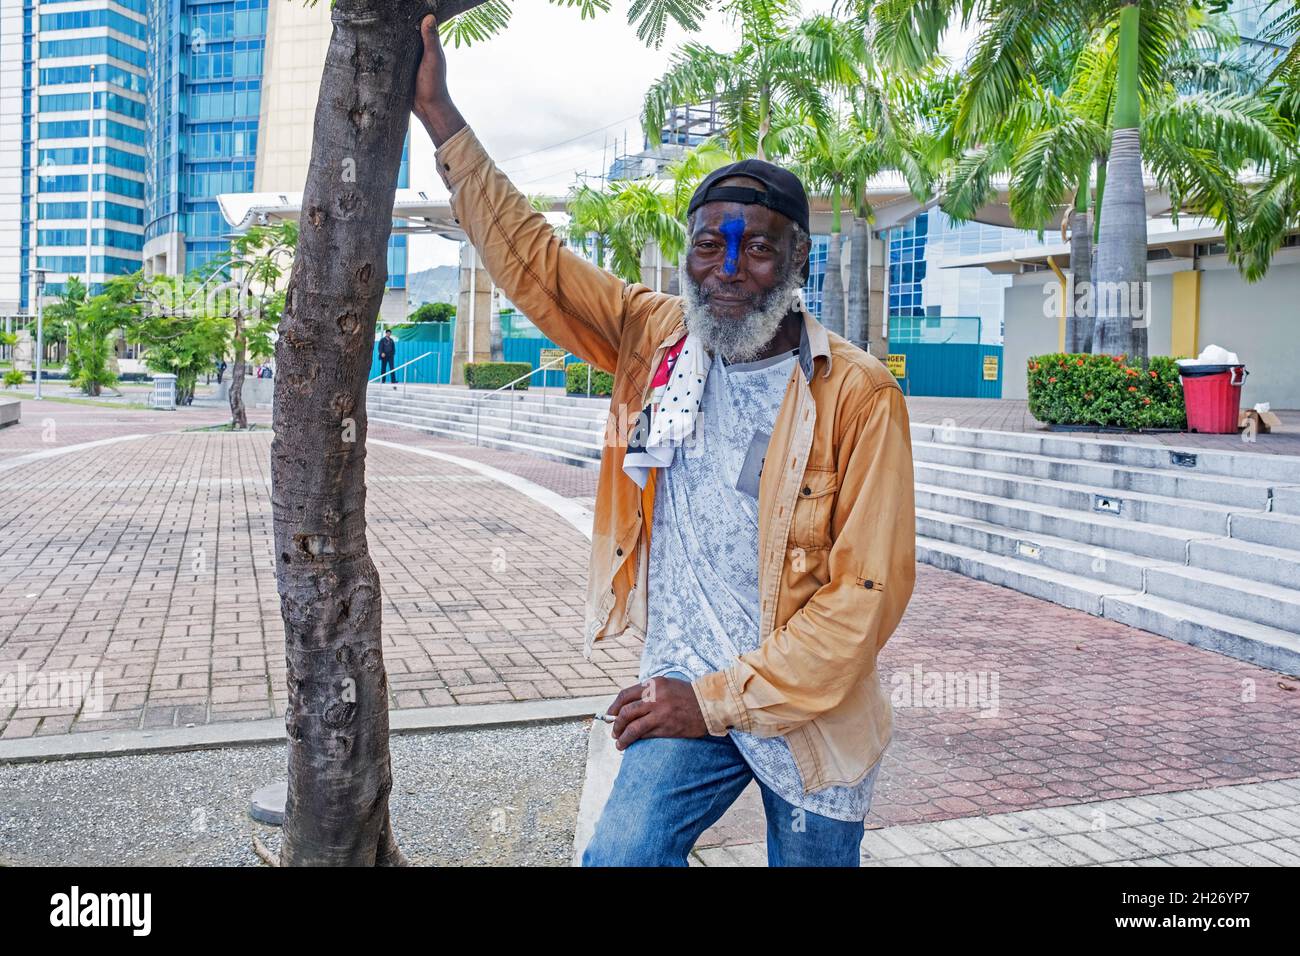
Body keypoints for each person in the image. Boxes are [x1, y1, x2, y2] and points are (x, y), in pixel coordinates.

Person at [412, 14, 916, 867]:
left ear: (796, 260)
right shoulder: (654, 338)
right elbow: (536, 262)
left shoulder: (859, 396)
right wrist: (441, 120)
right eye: (708, 244)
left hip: (807, 711)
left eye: (755, 248)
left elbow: (864, 598)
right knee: (618, 859)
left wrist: (715, 700)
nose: (727, 267)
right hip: (682, 682)